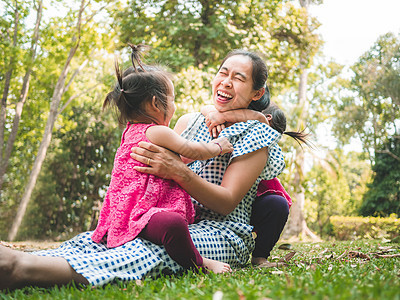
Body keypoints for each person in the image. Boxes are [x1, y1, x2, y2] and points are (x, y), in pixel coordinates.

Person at [0, 49, 285, 290]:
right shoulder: (189, 121)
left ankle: (23, 269)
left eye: (239, 78)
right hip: (176, 219)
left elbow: (226, 202)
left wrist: (178, 172)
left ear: (256, 92)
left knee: (149, 250)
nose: (226, 82)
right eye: (223, 73)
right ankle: (27, 258)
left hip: (221, 233)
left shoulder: (256, 136)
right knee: (105, 238)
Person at [91, 44, 233, 273]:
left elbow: (176, 159)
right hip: (142, 213)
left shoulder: (129, 132)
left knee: (171, 224)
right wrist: (217, 146)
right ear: (156, 104)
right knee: (173, 224)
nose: (175, 105)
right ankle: (199, 264)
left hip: (126, 213)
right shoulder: (156, 131)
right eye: (172, 98)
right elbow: (190, 151)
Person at [201, 101, 311, 265]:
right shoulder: (231, 127)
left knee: (277, 204)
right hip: (219, 205)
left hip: (249, 205)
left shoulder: (260, 138)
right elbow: (206, 108)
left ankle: (260, 256)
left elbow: (278, 209)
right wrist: (213, 114)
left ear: (265, 119)